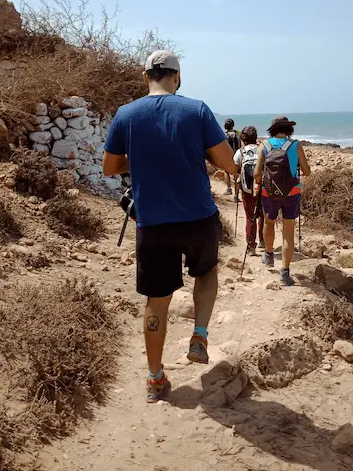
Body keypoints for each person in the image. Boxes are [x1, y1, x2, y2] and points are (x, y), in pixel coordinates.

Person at [103, 50, 238, 403]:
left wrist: (146, 161)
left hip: (153, 221)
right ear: (176, 78)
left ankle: (155, 378)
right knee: (206, 273)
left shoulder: (126, 114)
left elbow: (110, 167)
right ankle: (199, 335)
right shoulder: (196, 110)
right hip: (199, 217)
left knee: (157, 299)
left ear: (145, 75)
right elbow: (227, 163)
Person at [253, 115, 311, 286]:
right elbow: (307, 172)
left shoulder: (264, 145)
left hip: (268, 193)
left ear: (272, 130)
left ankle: (269, 255)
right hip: (292, 193)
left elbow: (257, 174)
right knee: (288, 230)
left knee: (269, 222)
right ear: (289, 130)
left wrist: (261, 182)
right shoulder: (296, 145)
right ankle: (285, 272)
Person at [233, 126, 265, 256]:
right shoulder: (261, 150)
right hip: (262, 187)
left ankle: (251, 246)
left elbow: (235, 169)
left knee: (250, 217)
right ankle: (263, 240)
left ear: (243, 138)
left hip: (246, 189)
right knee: (262, 214)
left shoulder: (240, 152)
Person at [223, 119, 241, 202]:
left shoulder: (224, 135)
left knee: (226, 172)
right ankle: (236, 196)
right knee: (236, 175)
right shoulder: (238, 134)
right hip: (237, 156)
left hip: (227, 156)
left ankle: (229, 189)